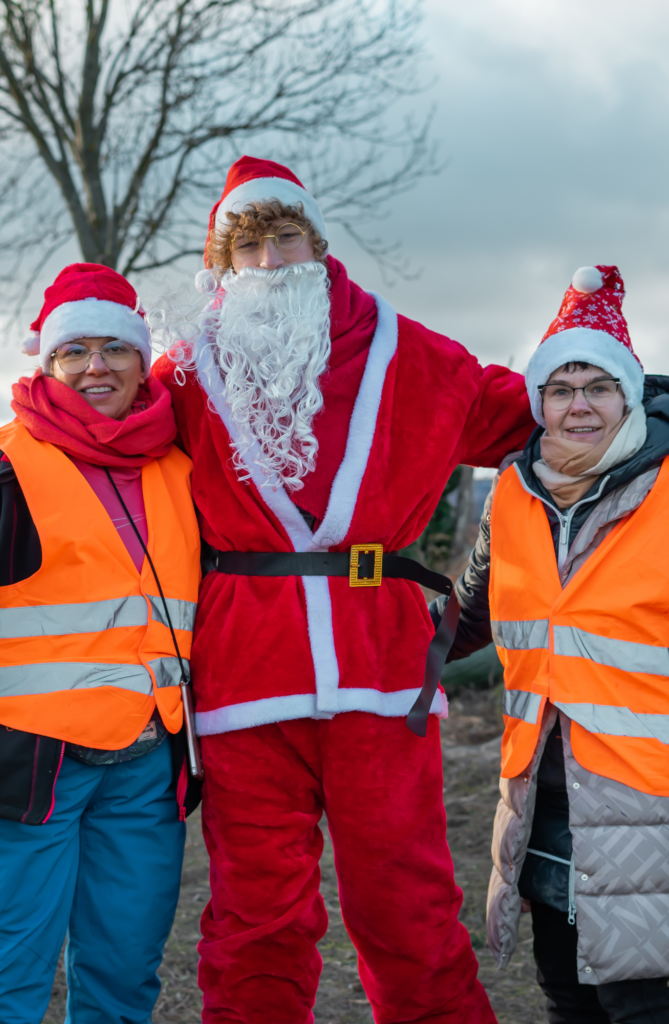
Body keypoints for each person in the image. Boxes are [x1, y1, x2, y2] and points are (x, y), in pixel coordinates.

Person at [152, 155, 537, 1023]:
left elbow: (536, 417)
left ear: (318, 246)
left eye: (285, 239)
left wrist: (629, 398)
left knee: (406, 903)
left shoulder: (411, 354)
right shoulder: (184, 378)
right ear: (220, 265)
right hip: (246, 672)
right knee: (256, 915)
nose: (269, 264)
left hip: (384, 668)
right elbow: (94, 434)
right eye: (245, 249)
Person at [0, 263, 201, 1024]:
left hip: (144, 767)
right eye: (75, 352)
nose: (95, 367)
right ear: (47, 363)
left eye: (114, 349)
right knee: (0, 985)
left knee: (124, 982)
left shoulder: (178, 467)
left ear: (143, 361)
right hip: (25, 769)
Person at [437, 265, 669, 1023]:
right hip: (541, 795)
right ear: (538, 401)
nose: (579, 406)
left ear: (628, 394)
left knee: (642, 1003)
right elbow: (463, 617)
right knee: (566, 998)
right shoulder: (514, 494)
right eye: (561, 389)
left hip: (648, 804)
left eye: (597, 387)